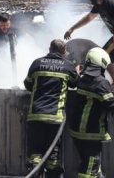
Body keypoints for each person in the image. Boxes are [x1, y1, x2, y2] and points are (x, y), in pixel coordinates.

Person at [23, 39, 78, 177]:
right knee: (53, 156)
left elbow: (28, 85)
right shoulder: (68, 66)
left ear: (49, 49)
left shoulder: (37, 63)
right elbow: (75, 84)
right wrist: (77, 70)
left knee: (35, 154)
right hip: (55, 118)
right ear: (64, 52)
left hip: (36, 116)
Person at [66, 47, 114, 178]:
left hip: (76, 130)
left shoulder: (82, 79)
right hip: (91, 132)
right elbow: (112, 106)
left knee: (94, 166)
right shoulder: (101, 83)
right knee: (90, 167)